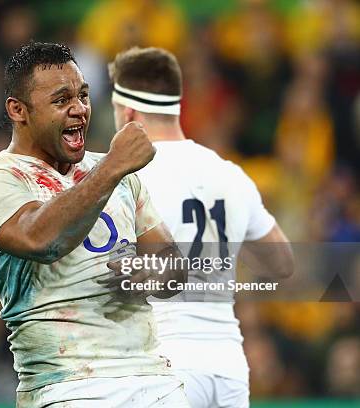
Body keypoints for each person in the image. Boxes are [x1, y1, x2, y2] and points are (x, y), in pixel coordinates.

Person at [0, 42, 189, 407]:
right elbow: (41, 239)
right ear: (18, 110)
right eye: (61, 99)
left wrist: (149, 273)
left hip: (153, 378)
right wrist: (112, 167)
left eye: (83, 95)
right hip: (68, 384)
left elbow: (173, 268)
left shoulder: (121, 175)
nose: (80, 109)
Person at [108, 46, 295, 408]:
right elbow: (283, 263)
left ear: (128, 110)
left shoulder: (126, 177)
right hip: (227, 364)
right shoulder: (232, 174)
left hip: (164, 358)